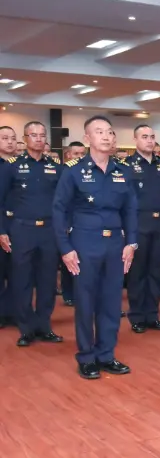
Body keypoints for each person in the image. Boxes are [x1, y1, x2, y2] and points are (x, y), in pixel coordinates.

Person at [53, 115, 137, 379]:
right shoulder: (73, 171)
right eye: (99, 132)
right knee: (86, 301)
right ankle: (87, 356)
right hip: (84, 242)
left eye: (110, 132)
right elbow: (59, 210)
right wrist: (65, 248)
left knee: (111, 301)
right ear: (87, 138)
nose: (106, 136)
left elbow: (131, 210)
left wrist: (131, 242)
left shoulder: (123, 171)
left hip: (115, 243)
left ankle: (106, 354)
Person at [0, 122, 63, 347]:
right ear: (25, 139)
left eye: (42, 135)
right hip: (22, 230)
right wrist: (2, 230)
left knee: (47, 281)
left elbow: (63, 202)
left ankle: (44, 326)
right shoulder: (12, 166)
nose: (38, 138)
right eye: (33, 135)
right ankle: (26, 328)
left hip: (49, 231)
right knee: (22, 280)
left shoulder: (56, 167)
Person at [125, 125, 160, 334]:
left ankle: (152, 314)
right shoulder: (126, 166)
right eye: (144, 137)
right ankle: (137, 316)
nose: (149, 140)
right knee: (138, 272)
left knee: (157, 271)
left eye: (152, 137)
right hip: (139, 222)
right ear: (135, 140)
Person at [59, 141, 87, 307]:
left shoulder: (87, 171)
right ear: (68, 155)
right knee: (68, 260)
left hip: (81, 221)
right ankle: (68, 293)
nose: (80, 157)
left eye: (83, 154)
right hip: (66, 220)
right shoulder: (64, 171)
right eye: (76, 154)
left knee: (83, 260)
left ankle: (82, 295)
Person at [0, 126, 17, 328]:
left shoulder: (21, 165)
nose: (10, 142)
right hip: (2, 224)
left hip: (20, 226)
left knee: (17, 273)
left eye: (13, 138)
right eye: (5, 138)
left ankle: (13, 312)